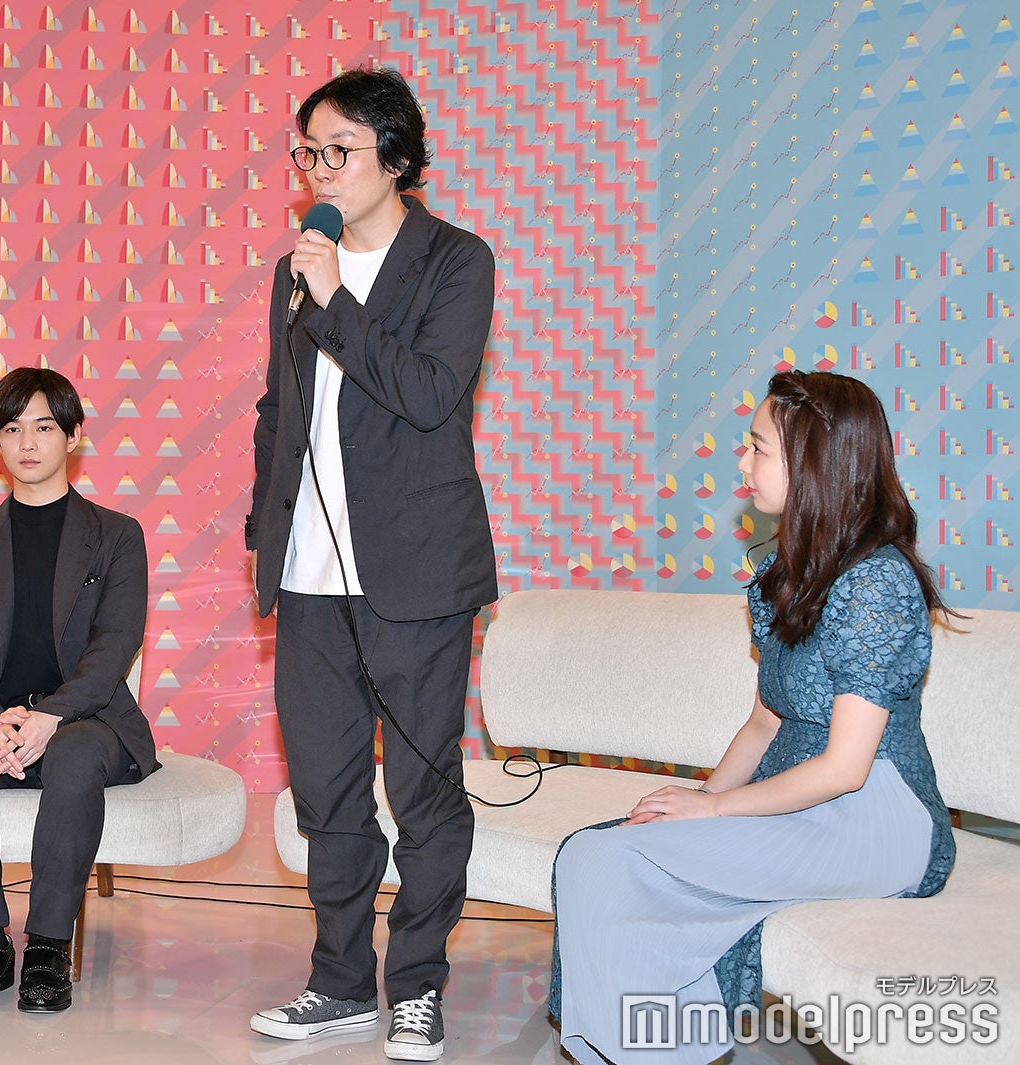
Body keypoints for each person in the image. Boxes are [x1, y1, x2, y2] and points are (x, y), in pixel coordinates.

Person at [550, 370, 957, 1064]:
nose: (742, 463)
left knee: (608, 859)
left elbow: (846, 767)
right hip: (796, 800)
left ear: (813, 463)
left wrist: (714, 810)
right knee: (598, 852)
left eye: (758, 448)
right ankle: (652, 1049)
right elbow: (764, 724)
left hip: (874, 817)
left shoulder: (878, 582)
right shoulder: (788, 576)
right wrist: (696, 800)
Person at [245, 68, 497, 1062]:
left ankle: (418, 985)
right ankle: (342, 982)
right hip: (309, 579)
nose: (317, 168)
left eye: (338, 149)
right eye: (307, 150)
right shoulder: (295, 268)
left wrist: (336, 299)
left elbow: (429, 394)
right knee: (328, 796)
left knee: (425, 793)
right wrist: (263, 529)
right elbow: (280, 408)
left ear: (396, 158)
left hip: (416, 579)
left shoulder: (455, 260)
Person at [0, 367, 157, 1014]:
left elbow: (115, 645)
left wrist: (51, 715)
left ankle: (49, 946)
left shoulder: (116, 535)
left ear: (73, 436)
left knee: (75, 753)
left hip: (85, 722)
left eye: (45, 426)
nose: (28, 442)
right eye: (13, 428)